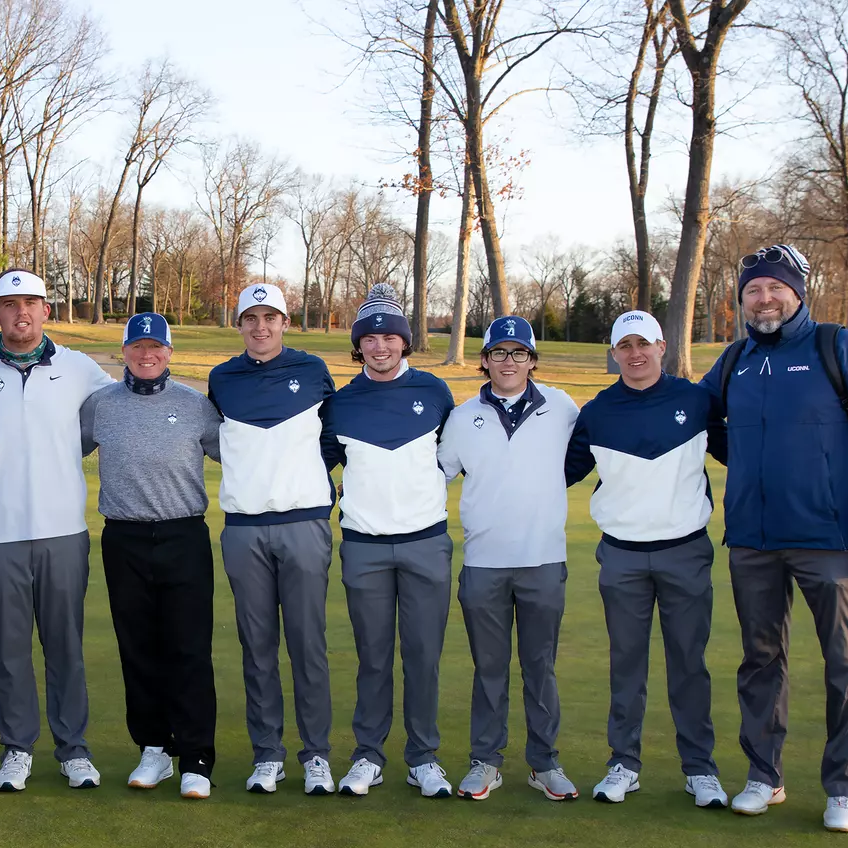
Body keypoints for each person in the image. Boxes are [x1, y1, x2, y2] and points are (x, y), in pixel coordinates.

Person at [699, 244, 848, 832]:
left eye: (775, 289)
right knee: (760, 659)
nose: (764, 299)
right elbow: (704, 419)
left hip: (832, 541)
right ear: (741, 300)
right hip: (753, 541)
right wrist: (745, 468)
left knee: (846, 661)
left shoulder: (837, 347)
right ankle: (765, 776)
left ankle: (845, 786)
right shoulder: (736, 357)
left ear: (797, 293)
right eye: (753, 291)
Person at [0, 269, 116, 792]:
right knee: (9, 647)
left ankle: (73, 750)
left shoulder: (80, 369)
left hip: (63, 531)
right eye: (9, 305)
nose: (22, 314)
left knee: (65, 645)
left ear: (47, 311)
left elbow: (122, 416)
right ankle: (17, 749)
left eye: (31, 303)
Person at [565, 310, 728, 809]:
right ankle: (624, 765)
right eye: (624, 346)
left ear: (662, 346)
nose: (635, 354)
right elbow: (562, 470)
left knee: (688, 664)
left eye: (644, 343)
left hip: (685, 551)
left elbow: (742, 452)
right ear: (614, 354)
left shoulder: (696, 400)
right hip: (622, 555)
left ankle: (700, 769)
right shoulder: (597, 411)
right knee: (627, 664)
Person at [438, 315, 581, 801]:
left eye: (519, 353)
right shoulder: (461, 419)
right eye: (499, 352)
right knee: (490, 667)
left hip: (543, 558)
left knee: (540, 666)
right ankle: (485, 762)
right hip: (483, 563)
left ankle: (545, 763)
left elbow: (581, 457)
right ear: (484, 360)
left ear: (533, 361)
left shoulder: (562, 406)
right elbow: (437, 476)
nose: (508, 361)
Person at [323, 284, 457, 798]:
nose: (380, 347)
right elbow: (319, 464)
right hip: (365, 546)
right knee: (373, 656)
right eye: (370, 338)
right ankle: (368, 755)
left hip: (426, 542)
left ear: (405, 342)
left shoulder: (434, 393)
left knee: (423, 655)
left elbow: (449, 457)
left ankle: (423, 758)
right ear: (359, 346)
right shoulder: (341, 403)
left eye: (390, 337)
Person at [80, 312, 221, 799]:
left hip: (184, 537)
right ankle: (154, 748)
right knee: (137, 648)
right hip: (124, 539)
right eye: (137, 347)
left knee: (188, 648)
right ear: (123, 352)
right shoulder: (99, 406)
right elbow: (60, 454)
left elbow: (240, 455)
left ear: (169, 352)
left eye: (155, 347)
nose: (147, 355)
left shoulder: (196, 405)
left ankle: (197, 757)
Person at [208, 282, 338, 795]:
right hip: (244, 529)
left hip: (304, 523)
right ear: (239, 325)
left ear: (285, 322)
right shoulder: (222, 379)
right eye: (250, 318)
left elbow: (329, 435)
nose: (260, 327)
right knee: (256, 646)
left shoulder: (312, 371)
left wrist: (303, 478)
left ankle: (317, 756)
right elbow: (218, 442)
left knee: (308, 644)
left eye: (270, 318)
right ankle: (268, 755)